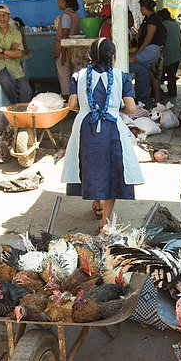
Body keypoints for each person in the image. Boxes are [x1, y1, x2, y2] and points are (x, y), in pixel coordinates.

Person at [61, 38, 144, 231]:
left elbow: (72, 105)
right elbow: (131, 108)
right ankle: (104, 221)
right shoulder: (121, 77)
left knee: (91, 165)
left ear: (91, 57)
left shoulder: (78, 76)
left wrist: (87, 107)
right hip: (111, 128)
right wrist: (115, 107)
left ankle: (97, 203)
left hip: (86, 129)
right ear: (113, 57)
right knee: (112, 171)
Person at [0, 4, 32, 104]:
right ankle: (17, 107)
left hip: (14, 68)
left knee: (27, 90)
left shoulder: (16, 33)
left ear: (9, 17)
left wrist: (3, 50)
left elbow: (19, 54)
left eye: (4, 15)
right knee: (6, 81)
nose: (2, 18)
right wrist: (10, 52)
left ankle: (22, 114)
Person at [129, 0, 164, 107]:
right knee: (151, 73)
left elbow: (148, 38)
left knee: (129, 61)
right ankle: (154, 101)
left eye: (140, 7)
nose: (140, 10)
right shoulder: (149, 18)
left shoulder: (152, 19)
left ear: (144, 8)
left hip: (150, 49)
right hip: (152, 49)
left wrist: (137, 52)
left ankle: (142, 100)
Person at [52, 0, 81, 100]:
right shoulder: (76, 15)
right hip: (75, 51)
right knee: (74, 77)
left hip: (64, 50)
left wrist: (63, 53)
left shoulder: (65, 16)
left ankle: (67, 102)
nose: (58, 3)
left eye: (58, 1)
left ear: (63, 1)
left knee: (64, 78)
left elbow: (64, 35)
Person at [157, 8, 181, 97]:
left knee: (170, 75)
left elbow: (162, 39)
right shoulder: (175, 23)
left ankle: (172, 92)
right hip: (178, 52)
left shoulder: (163, 24)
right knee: (172, 74)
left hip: (169, 52)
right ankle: (172, 91)